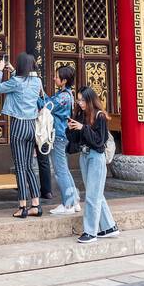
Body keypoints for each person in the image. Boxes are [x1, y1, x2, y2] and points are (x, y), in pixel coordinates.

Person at [0, 52, 43, 217]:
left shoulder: (17, 82)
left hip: (19, 125)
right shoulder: (37, 81)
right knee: (29, 166)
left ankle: (22, 207)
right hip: (31, 125)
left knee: (20, 168)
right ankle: (36, 204)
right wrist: (12, 70)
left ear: (21, 66)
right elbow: (22, 82)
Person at [67, 85, 116, 244]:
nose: (80, 103)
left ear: (90, 100)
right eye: (78, 100)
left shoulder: (100, 116)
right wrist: (72, 129)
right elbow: (75, 141)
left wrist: (83, 128)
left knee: (92, 196)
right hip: (84, 156)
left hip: (96, 157)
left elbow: (98, 141)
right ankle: (109, 227)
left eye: (83, 100)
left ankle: (90, 232)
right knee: (95, 193)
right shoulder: (81, 115)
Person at [43, 65, 81, 215]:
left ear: (64, 80)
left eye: (57, 76)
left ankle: (68, 204)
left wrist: (39, 94)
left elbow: (47, 106)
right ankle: (74, 200)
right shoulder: (67, 94)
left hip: (58, 136)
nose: (54, 78)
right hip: (62, 135)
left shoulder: (63, 97)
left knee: (60, 171)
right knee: (64, 169)